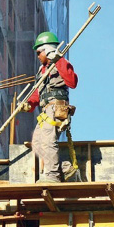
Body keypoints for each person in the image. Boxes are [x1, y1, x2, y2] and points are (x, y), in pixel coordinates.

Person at [21, 32, 78, 182]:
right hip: (46, 109)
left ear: (48, 50)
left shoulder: (60, 63)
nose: (38, 56)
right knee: (38, 143)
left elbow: (72, 82)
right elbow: (37, 92)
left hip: (56, 108)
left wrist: (58, 60)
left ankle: (52, 175)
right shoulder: (42, 70)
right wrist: (29, 104)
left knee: (48, 140)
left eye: (39, 52)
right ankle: (64, 168)